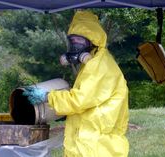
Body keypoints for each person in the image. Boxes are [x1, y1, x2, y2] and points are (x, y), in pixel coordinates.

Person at [24, 11, 129, 157]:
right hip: (91, 142)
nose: (75, 46)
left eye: (80, 41)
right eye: (72, 41)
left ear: (93, 40)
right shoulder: (94, 62)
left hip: (97, 147)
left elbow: (79, 100)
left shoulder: (99, 66)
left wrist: (48, 96)